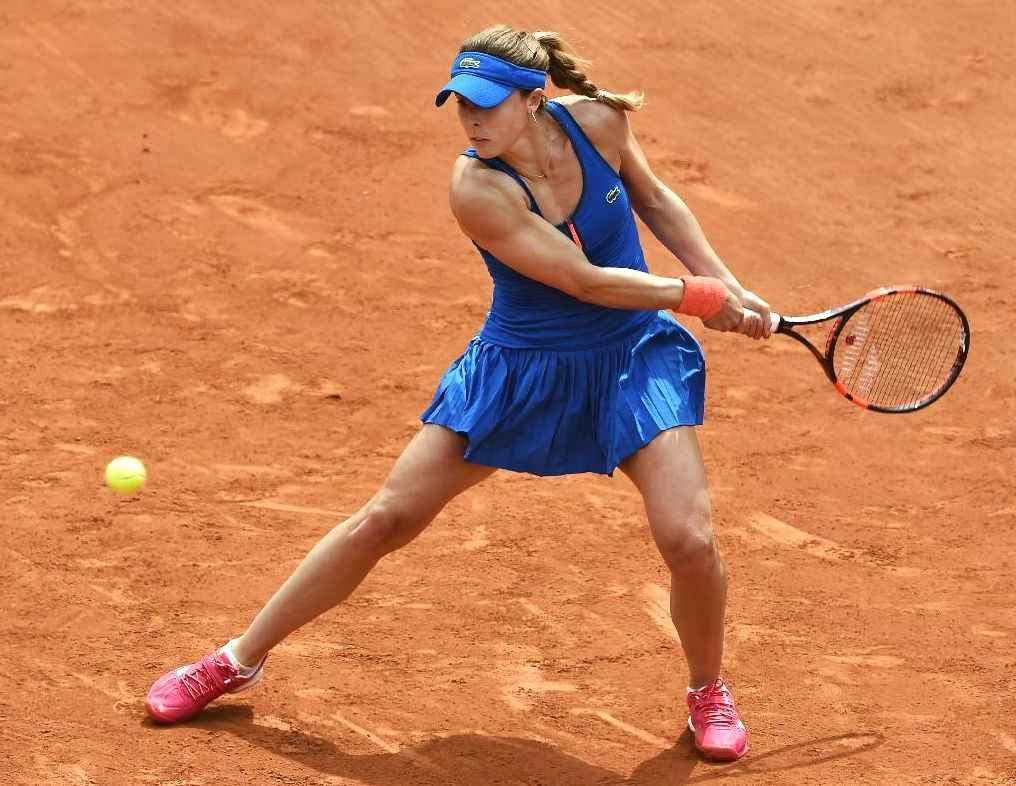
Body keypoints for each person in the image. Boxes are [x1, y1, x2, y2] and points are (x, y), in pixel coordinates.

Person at [145, 24, 773, 763]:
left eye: (486, 103)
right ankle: (237, 659)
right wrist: (694, 295)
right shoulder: (476, 187)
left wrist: (725, 281)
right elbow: (584, 282)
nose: (471, 120)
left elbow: (657, 200)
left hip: (631, 359)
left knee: (689, 538)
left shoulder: (600, 122)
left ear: (532, 100)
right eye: (461, 105)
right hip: (520, 370)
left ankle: (707, 688)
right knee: (387, 517)